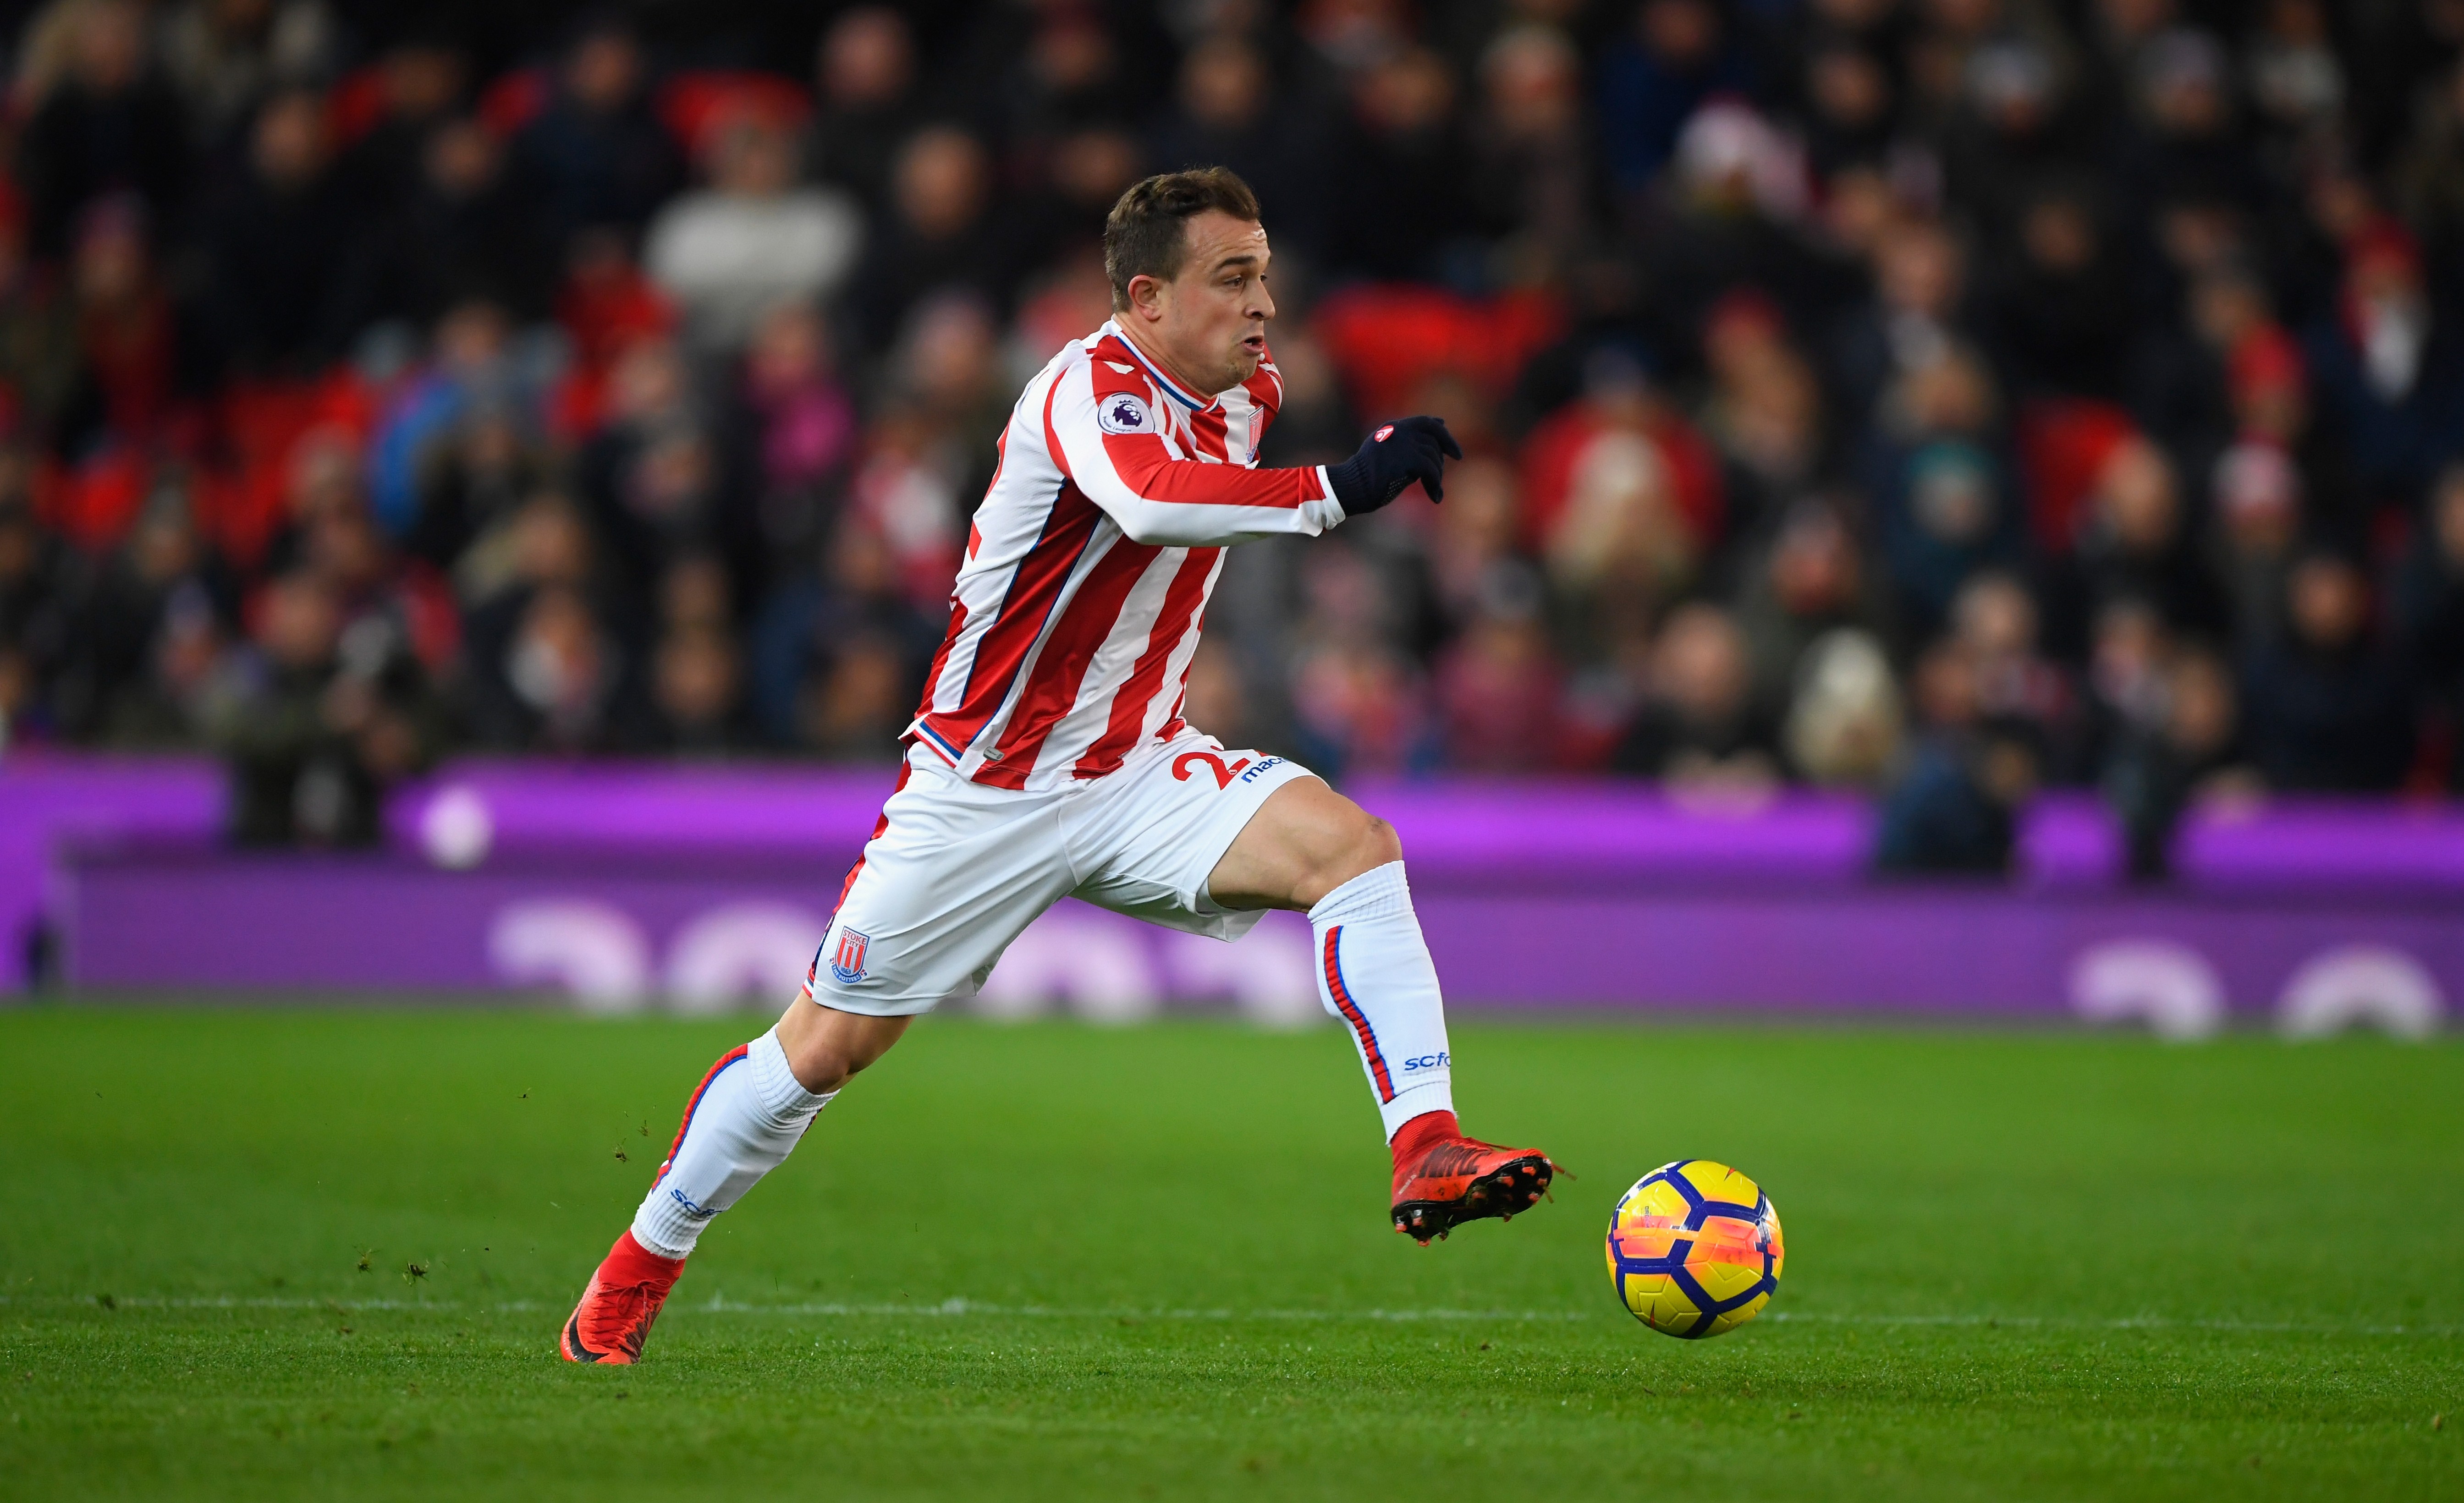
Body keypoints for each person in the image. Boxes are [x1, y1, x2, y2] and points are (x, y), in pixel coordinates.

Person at [559, 168, 1556, 1365]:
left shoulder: (1249, 388)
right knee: (820, 1052)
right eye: (1232, 278)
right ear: (1146, 296)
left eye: (1265, 272)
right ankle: (638, 1265)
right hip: (989, 787)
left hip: (1138, 768)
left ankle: (1426, 1144)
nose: (1265, 305)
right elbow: (1148, 503)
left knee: (1354, 850)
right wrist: (1339, 490)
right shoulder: (1083, 386)